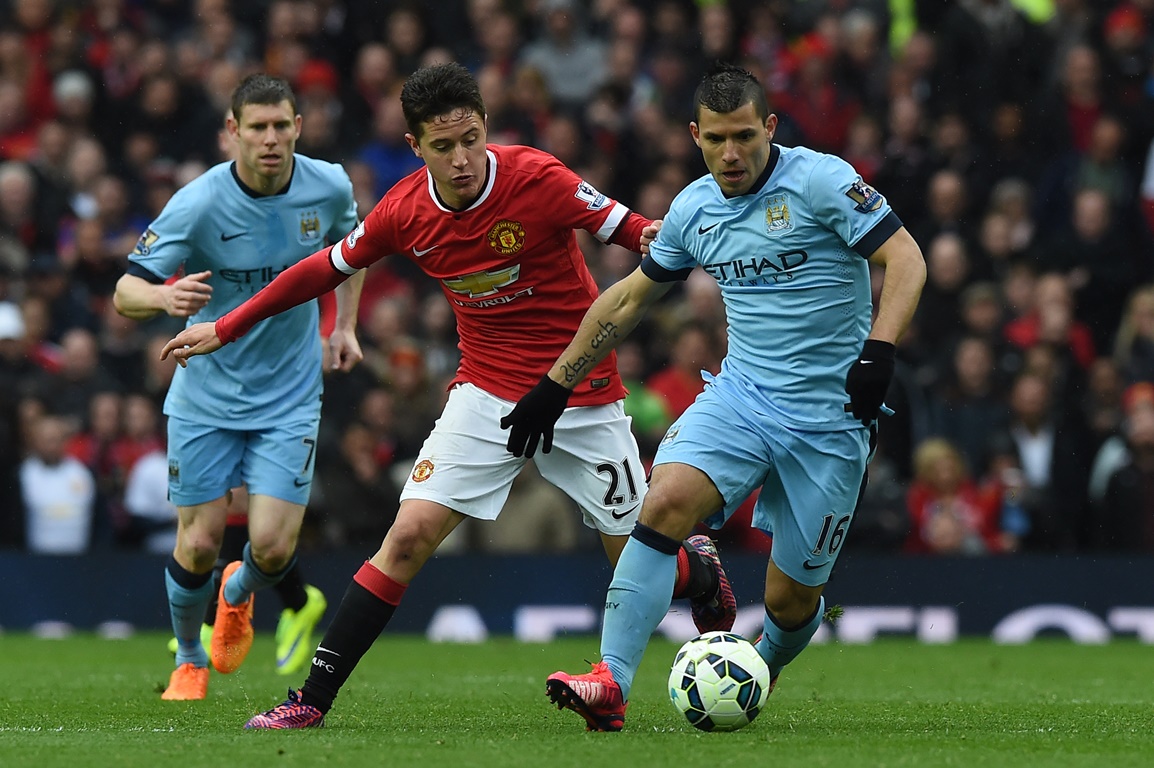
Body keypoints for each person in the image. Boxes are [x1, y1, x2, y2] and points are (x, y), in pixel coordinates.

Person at [159, 62, 734, 729]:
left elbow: (631, 228)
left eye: (471, 140)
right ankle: (309, 702)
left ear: (485, 127)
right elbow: (321, 269)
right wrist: (226, 326)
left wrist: (670, 236)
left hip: (580, 394)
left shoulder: (536, 177)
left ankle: (693, 570)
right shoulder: (404, 211)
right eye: (442, 146)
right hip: (484, 395)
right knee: (405, 540)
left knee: (634, 562)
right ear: (415, 146)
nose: (461, 159)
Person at [500, 63, 926, 731]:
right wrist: (557, 383)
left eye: (746, 137)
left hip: (833, 418)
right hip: (743, 399)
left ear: (771, 128)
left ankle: (764, 663)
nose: (732, 154)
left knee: (790, 602)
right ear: (695, 135)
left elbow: (906, 258)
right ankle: (611, 679)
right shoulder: (694, 209)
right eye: (718, 139)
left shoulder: (822, 181)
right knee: (663, 499)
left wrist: (879, 351)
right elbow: (631, 298)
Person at [112, 74, 364, 701]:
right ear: (233, 132)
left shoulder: (327, 184)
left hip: (290, 394)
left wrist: (345, 326)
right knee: (197, 542)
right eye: (257, 127)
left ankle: (238, 592)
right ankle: (190, 660)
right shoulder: (198, 203)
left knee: (273, 547)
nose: (271, 139)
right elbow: (125, 290)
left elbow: (353, 251)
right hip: (207, 395)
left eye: (282, 125)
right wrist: (163, 296)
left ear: (298, 127)